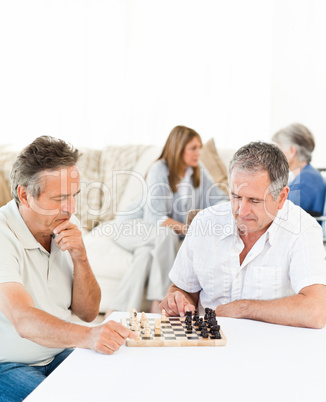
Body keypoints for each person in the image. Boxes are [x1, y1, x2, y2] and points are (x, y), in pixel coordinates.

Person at [0, 136, 136, 401]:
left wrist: (80, 257)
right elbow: (23, 320)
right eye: (60, 198)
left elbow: (87, 313)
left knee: (121, 386)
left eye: (74, 196)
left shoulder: (60, 223)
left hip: (55, 353)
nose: (71, 209)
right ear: (25, 195)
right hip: (7, 364)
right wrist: (89, 337)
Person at [159, 141, 326, 328]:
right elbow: (183, 289)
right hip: (209, 347)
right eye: (236, 196)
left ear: (281, 197)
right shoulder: (204, 222)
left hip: (271, 350)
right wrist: (177, 299)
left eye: (254, 200)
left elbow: (316, 311)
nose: (242, 210)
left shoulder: (303, 229)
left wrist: (243, 309)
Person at [107, 125, 227, 314]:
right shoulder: (159, 169)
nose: (199, 153)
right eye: (193, 148)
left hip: (152, 236)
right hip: (131, 226)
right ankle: (159, 303)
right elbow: (155, 218)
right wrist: (189, 229)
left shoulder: (197, 170)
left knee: (145, 256)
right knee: (167, 235)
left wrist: (234, 206)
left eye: (200, 147)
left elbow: (218, 198)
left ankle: (118, 311)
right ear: (179, 149)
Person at [272, 123, 326, 216]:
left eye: (279, 149)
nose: (276, 156)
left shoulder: (306, 180)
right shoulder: (305, 175)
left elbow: (286, 216)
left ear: (292, 151)